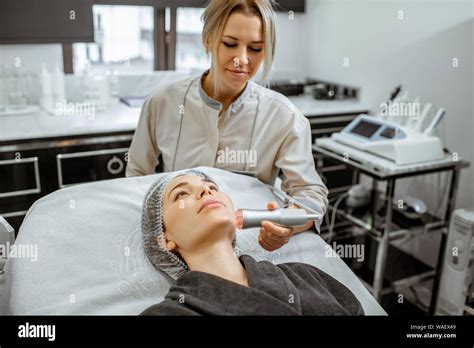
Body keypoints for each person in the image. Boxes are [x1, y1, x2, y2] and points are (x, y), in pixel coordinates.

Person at [126, 0, 328, 252]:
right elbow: (137, 176)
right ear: (208, 39)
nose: (242, 59)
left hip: (249, 244)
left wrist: (285, 224)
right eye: (230, 44)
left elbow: (310, 195)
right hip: (180, 241)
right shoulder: (162, 102)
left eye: (255, 48)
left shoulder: (284, 116)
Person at [140, 169, 364, 316]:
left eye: (212, 187)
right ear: (164, 240)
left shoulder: (306, 275)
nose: (205, 190)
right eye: (180, 195)